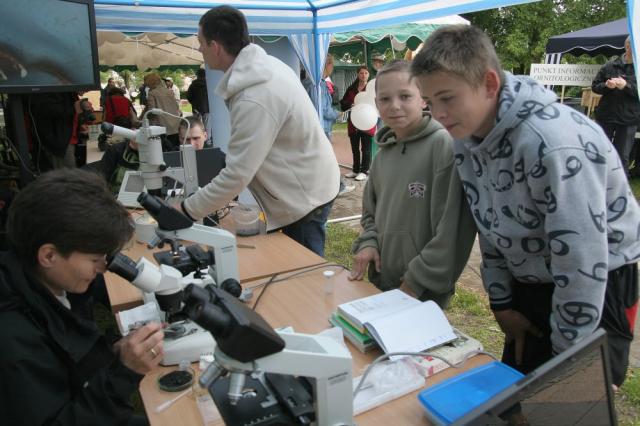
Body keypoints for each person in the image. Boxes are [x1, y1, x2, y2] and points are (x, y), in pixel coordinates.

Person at [411, 25, 640, 390]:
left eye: (447, 98)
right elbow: (489, 220)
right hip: (533, 275)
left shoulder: (553, 144)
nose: (437, 113)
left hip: (599, 279)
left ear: (488, 84)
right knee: (520, 392)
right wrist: (502, 303)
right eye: (429, 101)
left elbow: (582, 259)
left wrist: (568, 366)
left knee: (575, 399)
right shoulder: (465, 136)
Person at [0, 168, 164, 425]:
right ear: (49, 255)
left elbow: (68, 353)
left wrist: (115, 352)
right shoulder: (15, 342)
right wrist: (122, 373)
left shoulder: (42, 283)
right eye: (94, 259)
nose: (103, 269)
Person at [181, 6, 339, 256]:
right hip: (309, 182)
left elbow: (237, 176)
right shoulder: (262, 68)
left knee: (305, 274)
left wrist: (185, 211)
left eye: (200, 43)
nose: (199, 49)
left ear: (215, 47)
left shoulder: (254, 96)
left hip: (305, 198)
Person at [349, 60, 476, 307]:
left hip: (423, 292)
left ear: (424, 99)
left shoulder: (443, 147)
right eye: (385, 99)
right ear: (376, 105)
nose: (394, 106)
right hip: (382, 279)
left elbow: (452, 231)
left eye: (405, 96)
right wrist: (369, 243)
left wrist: (415, 282)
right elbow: (370, 215)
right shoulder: (382, 155)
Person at [303, 54, 355, 196]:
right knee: (328, 161)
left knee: (318, 161)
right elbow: (324, 110)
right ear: (327, 65)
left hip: (312, 128)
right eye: (332, 64)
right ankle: (337, 187)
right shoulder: (319, 85)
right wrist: (338, 114)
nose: (333, 68)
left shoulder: (308, 83)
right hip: (322, 129)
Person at [592, 36, 640, 177]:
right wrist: (606, 86)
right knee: (601, 151)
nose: (632, 49)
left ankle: (620, 190)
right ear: (626, 46)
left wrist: (626, 86)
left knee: (622, 156)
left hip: (628, 119)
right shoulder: (610, 65)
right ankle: (597, 181)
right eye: (630, 45)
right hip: (606, 116)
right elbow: (595, 86)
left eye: (635, 46)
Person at [340, 65, 376, 181]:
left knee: (366, 148)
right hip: (353, 123)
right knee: (354, 148)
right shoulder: (351, 89)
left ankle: (364, 171)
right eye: (361, 73)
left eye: (366, 73)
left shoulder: (372, 89)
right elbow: (343, 103)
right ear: (357, 74)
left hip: (367, 123)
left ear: (368, 75)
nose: (363, 75)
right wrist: (350, 105)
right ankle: (355, 170)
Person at [141, 73, 181, 150]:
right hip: (175, 126)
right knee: (175, 152)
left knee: (164, 153)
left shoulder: (152, 93)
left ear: (150, 82)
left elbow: (151, 112)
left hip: (162, 128)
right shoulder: (169, 91)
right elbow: (176, 106)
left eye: (145, 81)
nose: (145, 84)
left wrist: (143, 118)